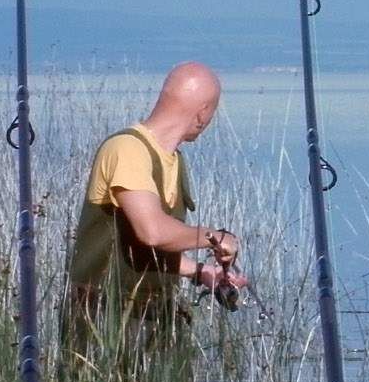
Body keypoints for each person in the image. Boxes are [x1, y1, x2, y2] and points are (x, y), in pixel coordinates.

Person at [64, 61, 248, 343]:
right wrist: (215, 237)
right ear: (202, 113)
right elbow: (152, 231)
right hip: (103, 316)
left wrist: (201, 272)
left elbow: (140, 251)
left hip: (150, 315)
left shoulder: (174, 161)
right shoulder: (127, 149)